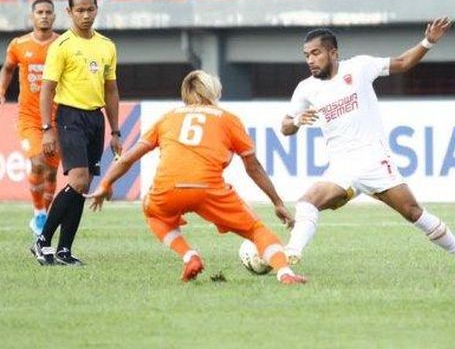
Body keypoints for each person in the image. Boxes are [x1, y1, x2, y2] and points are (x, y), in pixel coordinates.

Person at [281, 19, 455, 275]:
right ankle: (291, 255)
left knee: (413, 212)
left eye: (316, 53)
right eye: (306, 56)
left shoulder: (358, 67)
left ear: (333, 52)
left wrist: (428, 42)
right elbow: (285, 127)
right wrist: (297, 121)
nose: (310, 60)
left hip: (374, 160)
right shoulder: (306, 88)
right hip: (342, 167)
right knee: (306, 202)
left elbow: (403, 63)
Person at [86, 71, 307, 285]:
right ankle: (285, 273)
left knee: (154, 214)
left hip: (167, 189)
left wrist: (105, 184)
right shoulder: (228, 119)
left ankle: (189, 256)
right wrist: (277, 202)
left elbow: (127, 159)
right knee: (256, 230)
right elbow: (253, 166)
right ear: (213, 93)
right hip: (208, 188)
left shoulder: (168, 118)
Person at [31, 0, 122, 266]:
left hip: (95, 119)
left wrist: (115, 131)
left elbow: (111, 90)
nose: (85, 15)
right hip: (70, 117)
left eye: (90, 9)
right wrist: (47, 128)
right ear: (70, 13)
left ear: (96, 9)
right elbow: (47, 90)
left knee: (82, 188)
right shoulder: (62, 46)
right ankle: (42, 240)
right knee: (78, 180)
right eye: (79, 10)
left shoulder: (107, 45)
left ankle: (64, 250)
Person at [0, 0, 60, 236]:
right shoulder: (19, 44)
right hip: (29, 118)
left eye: (48, 12)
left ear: (54, 16)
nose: (44, 16)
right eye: (39, 12)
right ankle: (38, 213)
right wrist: (2, 92)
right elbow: (7, 68)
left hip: (57, 118)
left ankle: (44, 217)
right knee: (37, 163)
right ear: (32, 17)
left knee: (52, 173)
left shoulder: (62, 44)